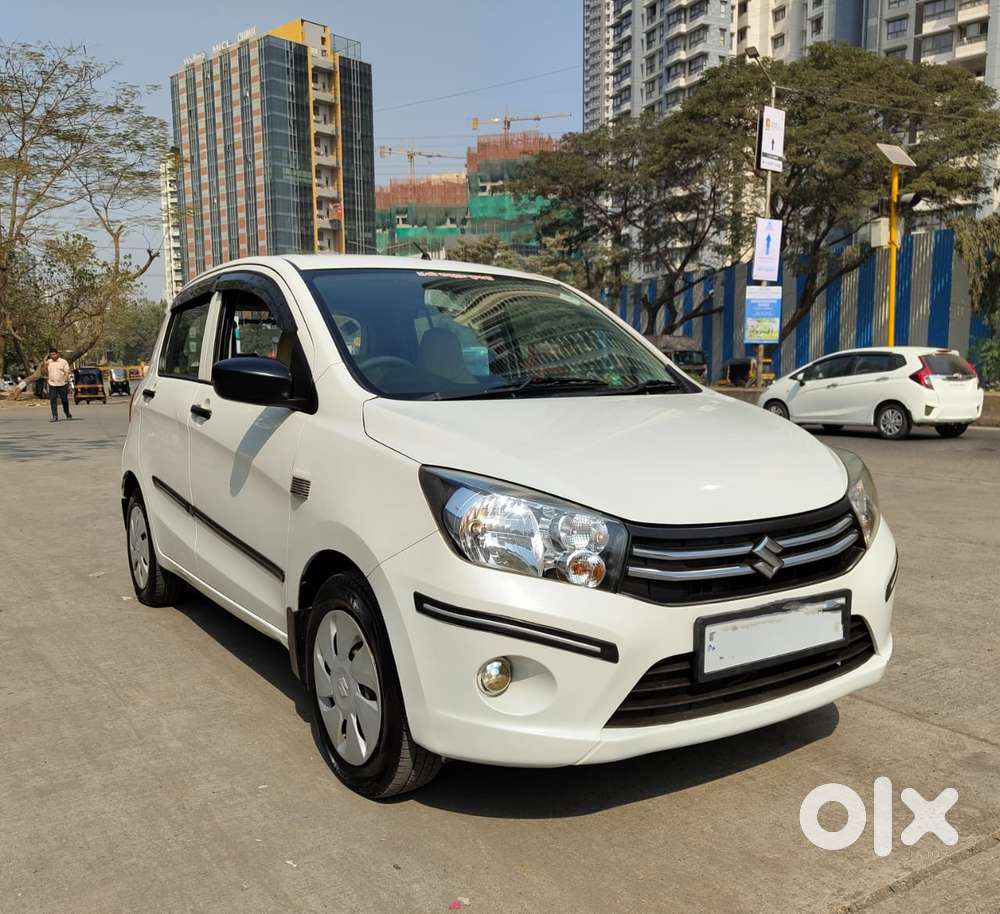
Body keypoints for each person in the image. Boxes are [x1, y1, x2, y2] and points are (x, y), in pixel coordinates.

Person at [43, 348, 72, 421]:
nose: (53, 356)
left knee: (64, 400)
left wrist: (66, 378)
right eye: (51, 355)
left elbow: (67, 371)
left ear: (57, 354)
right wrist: (45, 364)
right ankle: (55, 416)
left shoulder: (63, 362)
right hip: (52, 384)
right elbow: (45, 372)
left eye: (54, 354)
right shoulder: (49, 362)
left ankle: (67, 413)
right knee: (53, 400)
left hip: (62, 384)